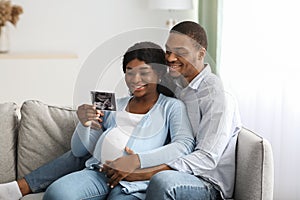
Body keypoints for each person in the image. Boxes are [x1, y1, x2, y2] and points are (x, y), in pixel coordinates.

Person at [0, 42, 195, 200]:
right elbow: (78, 151)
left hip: (134, 182)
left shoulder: (172, 107)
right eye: (129, 71)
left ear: (159, 74)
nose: (135, 79)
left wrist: (137, 160)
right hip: (97, 173)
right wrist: (84, 124)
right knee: (56, 194)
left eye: (144, 72)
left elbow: (184, 145)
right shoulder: (114, 104)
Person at [120, 21, 242, 200]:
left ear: (201, 54)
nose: (170, 58)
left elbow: (207, 158)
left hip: (206, 181)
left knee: (163, 182)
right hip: (170, 167)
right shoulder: (176, 85)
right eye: (168, 51)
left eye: (180, 52)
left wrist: (143, 173)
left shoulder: (217, 94)